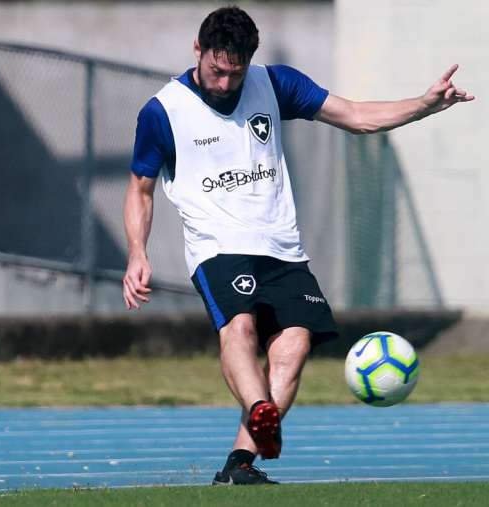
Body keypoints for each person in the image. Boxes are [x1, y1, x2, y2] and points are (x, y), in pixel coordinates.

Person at [122, 5, 473, 485]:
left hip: (282, 246)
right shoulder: (163, 112)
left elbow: (355, 116)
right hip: (218, 246)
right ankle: (260, 409)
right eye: (217, 71)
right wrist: (137, 252)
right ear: (197, 50)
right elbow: (140, 189)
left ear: (250, 61)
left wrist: (424, 105)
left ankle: (240, 464)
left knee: (295, 342)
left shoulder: (274, 83)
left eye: (236, 74)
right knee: (240, 328)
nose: (225, 84)